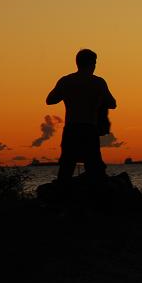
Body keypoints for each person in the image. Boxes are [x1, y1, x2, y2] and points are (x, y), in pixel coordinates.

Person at [46, 49, 117, 188]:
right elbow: (112, 103)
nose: (95, 66)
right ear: (90, 63)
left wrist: (68, 94)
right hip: (89, 129)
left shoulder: (66, 81)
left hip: (71, 128)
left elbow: (50, 100)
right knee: (94, 166)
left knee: (67, 166)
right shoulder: (98, 82)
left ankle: (62, 198)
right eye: (94, 63)